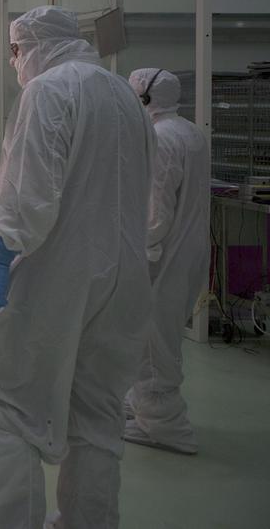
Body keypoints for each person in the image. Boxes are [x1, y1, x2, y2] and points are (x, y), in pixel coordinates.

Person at [0, 6, 154, 529]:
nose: (15, 63)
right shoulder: (125, 98)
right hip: (121, 282)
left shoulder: (49, 92)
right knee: (97, 415)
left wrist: (0, 255)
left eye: (17, 52)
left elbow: (28, 193)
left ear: (38, 46)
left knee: (12, 404)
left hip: (55, 278)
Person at [122, 68, 210, 454]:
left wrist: (131, 249)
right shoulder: (189, 132)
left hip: (163, 255)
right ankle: (142, 405)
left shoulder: (159, 139)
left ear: (143, 99)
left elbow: (156, 215)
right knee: (157, 335)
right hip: (188, 250)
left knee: (153, 340)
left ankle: (165, 425)